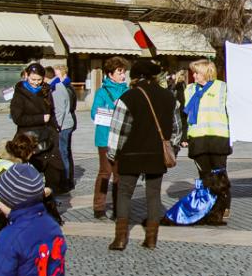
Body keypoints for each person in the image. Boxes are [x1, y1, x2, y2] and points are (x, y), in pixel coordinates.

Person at [107, 58, 183, 250]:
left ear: (135, 78)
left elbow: (119, 130)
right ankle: (151, 239)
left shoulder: (128, 97)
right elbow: (177, 129)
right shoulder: (169, 97)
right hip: (157, 154)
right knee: (153, 194)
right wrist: (173, 148)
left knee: (124, 193)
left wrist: (113, 154)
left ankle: (120, 239)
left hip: (130, 153)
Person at [181, 59, 231, 227]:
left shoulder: (222, 88)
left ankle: (222, 207)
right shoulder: (189, 89)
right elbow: (184, 115)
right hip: (198, 138)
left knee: (220, 176)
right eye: (193, 72)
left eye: (197, 72)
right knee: (204, 177)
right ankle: (206, 208)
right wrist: (183, 137)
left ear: (207, 73)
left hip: (218, 137)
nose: (194, 75)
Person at [9, 63, 65, 195]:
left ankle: (50, 197)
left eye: (39, 80)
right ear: (26, 76)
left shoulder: (46, 90)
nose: (36, 83)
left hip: (48, 137)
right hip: (29, 139)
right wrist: (40, 118)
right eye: (33, 79)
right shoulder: (19, 93)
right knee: (29, 175)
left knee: (54, 171)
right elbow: (17, 118)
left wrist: (56, 128)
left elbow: (51, 112)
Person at [90, 57, 129, 219]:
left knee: (120, 174)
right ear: (110, 74)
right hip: (105, 138)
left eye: (124, 72)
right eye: (119, 72)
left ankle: (119, 208)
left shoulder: (127, 91)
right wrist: (114, 115)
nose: (123, 75)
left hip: (122, 139)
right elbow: (95, 113)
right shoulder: (102, 92)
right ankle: (99, 207)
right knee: (105, 172)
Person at [50, 65, 77, 193]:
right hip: (68, 122)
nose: (54, 78)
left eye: (56, 75)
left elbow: (63, 109)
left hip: (64, 124)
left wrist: (57, 126)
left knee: (63, 153)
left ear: (63, 74)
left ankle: (66, 181)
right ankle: (68, 180)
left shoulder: (63, 87)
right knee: (66, 152)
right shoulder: (66, 86)